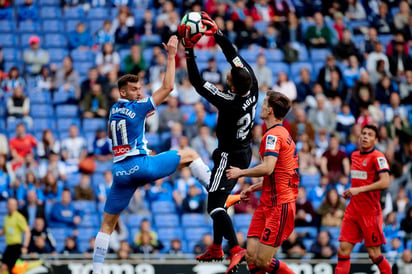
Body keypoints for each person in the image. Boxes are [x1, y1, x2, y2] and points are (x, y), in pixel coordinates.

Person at [91, 36, 212, 274]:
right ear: (123, 91)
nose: (139, 92)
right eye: (134, 89)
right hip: (141, 165)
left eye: (139, 88)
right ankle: (216, 192)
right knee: (189, 153)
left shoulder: (114, 110)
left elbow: (109, 133)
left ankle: (96, 270)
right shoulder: (137, 107)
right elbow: (167, 88)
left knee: (107, 225)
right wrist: (170, 56)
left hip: (120, 172)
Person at [178, 12, 259, 273]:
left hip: (228, 156)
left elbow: (198, 83)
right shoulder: (253, 84)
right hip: (244, 151)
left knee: (214, 204)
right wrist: (219, 35)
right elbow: (235, 58)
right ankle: (216, 245)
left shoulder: (229, 102)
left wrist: (189, 51)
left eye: (229, 77)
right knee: (218, 197)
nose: (227, 74)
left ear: (232, 86)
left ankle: (235, 248)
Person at [226, 91, 298, 274]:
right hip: (267, 201)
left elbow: (267, 168)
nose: (262, 106)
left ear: (271, 110)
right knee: (251, 256)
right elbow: (279, 175)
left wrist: (241, 173)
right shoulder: (280, 133)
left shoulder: (273, 136)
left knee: (263, 261)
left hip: (279, 205)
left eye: (265, 103)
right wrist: (254, 187)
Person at [335, 124, 392, 274]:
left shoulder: (378, 156)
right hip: (353, 210)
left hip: (370, 212)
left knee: (374, 254)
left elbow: (385, 182)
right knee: (343, 250)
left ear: (376, 140)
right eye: (363, 133)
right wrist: (350, 192)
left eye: (370, 134)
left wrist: (359, 190)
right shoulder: (354, 155)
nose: (365, 136)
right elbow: (359, 180)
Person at [0, 198, 31, 274]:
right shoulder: (7, 218)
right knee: (3, 268)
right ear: (7, 205)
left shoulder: (19, 217)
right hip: (9, 246)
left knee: (9, 268)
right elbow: (4, 230)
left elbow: (27, 232)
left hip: (16, 247)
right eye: (10, 204)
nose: (11, 206)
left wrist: (25, 246)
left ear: (16, 206)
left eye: (13, 204)